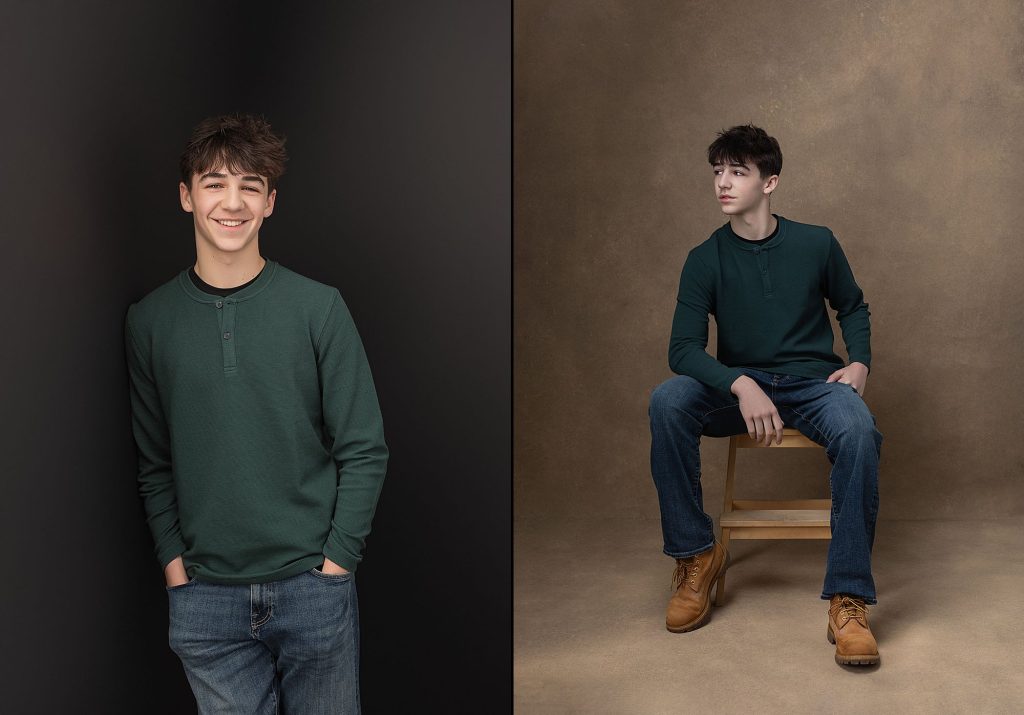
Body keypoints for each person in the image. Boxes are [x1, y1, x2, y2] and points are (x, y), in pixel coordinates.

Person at [124, 113, 388, 712]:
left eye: (251, 185)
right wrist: (177, 574)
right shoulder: (150, 321)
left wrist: (336, 564)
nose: (232, 201)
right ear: (187, 196)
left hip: (312, 590)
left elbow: (364, 448)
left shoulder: (318, 308)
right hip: (205, 599)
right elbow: (154, 463)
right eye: (215, 183)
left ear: (270, 203)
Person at [648, 124, 881, 667]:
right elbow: (682, 350)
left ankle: (849, 598)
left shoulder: (816, 242)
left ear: (769, 182)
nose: (722, 184)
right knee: (668, 401)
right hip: (741, 389)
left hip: (812, 385)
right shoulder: (704, 258)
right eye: (717, 173)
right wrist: (739, 382)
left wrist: (860, 363)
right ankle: (697, 556)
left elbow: (854, 306)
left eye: (737, 172)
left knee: (859, 429)